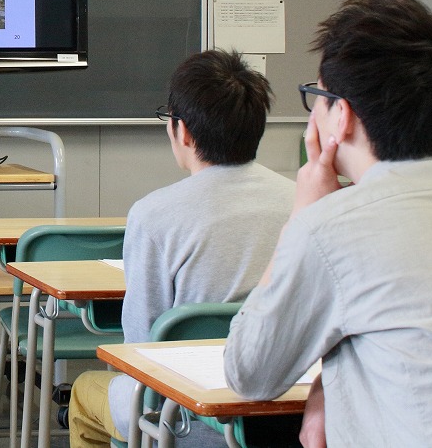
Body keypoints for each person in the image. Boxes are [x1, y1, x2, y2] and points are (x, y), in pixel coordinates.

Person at [225, 0, 432, 447]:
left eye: (316, 97)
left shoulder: (331, 228)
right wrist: (327, 388)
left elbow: (249, 373)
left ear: (343, 116)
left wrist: (302, 215)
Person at [69, 50, 295, 448]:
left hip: (187, 419)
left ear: (183, 131)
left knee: (86, 390)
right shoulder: (302, 201)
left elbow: (140, 346)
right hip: (290, 415)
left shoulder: (154, 215)